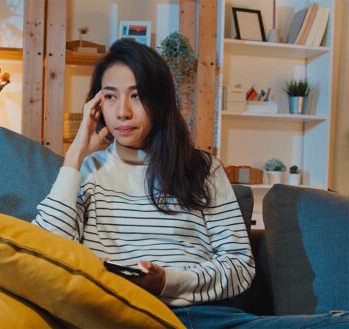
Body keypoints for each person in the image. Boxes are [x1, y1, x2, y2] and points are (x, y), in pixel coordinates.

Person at [32, 39, 348, 328]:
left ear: (159, 101)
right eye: (110, 97)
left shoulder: (203, 169)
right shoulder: (87, 172)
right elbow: (43, 250)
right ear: (96, 106)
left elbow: (240, 267)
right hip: (122, 313)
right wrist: (75, 154)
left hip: (205, 317)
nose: (123, 112)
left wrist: (168, 281)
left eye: (137, 95)